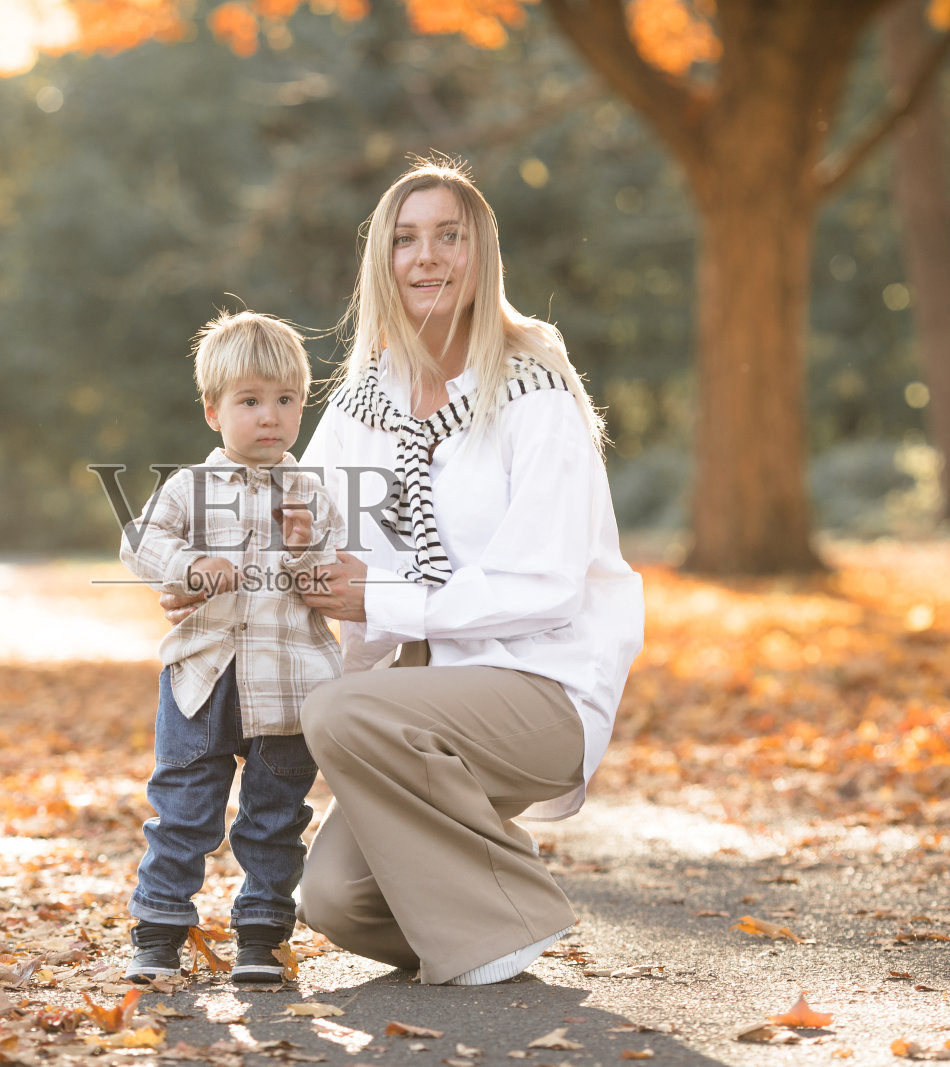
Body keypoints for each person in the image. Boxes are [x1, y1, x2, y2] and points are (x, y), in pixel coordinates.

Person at [162, 160, 644, 986]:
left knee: (339, 709)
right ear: (382, 263)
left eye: (450, 236)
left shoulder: (535, 393)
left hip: (538, 687)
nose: (428, 257)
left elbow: (545, 585)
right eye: (406, 239)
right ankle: (485, 927)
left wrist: (382, 596)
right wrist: (205, 580)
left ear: (481, 254)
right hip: (413, 706)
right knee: (336, 900)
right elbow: (295, 534)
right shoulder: (360, 403)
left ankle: (515, 910)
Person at [119, 310, 348, 984]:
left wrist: (309, 548)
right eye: (250, 401)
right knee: (185, 807)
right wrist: (187, 567)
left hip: (290, 679)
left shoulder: (315, 494)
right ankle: (158, 930)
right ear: (214, 410)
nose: (270, 416)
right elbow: (139, 540)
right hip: (204, 677)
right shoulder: (191, 487)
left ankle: (260, 932)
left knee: (275, 814)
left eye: (286, 400)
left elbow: (331, 577)